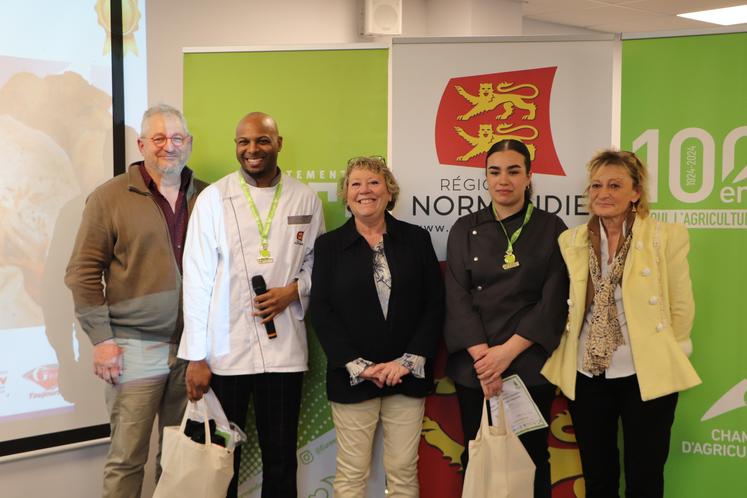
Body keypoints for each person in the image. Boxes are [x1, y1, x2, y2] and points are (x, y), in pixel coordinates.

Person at [178, 112, 325, 498]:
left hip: (284, 351)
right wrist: (196, 356)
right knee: (221, 456)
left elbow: (316, 263)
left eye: (261, 140)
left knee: (281, 456)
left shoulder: (305, 198)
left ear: (279, 143)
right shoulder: (212, 199)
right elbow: (195, 280)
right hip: (225, 352)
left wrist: (293, 291)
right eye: (243, 142)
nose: (252, 149)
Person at [65, 103, 207, 498]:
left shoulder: (208, 197)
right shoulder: (109, 198)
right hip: (132, 348)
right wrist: (102, 340)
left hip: (192, 351)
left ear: (189, 143)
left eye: (177, 138)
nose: (169, 147)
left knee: (181, 459)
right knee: (128, 459)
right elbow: (82, 273)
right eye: (159, 138)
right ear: (142, 143)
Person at [541, 149, 701, 498]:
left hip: (645, 373)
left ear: (636, 192)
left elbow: (681, 304)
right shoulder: (572, 241)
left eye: (615, 185)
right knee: (598, 478)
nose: (604, 193)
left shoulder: (664, 237)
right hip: (588, 372)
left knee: (645, 479)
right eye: (596, 185)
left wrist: (669, 350)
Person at [310, 156, 444, 497]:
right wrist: (361, 366)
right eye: (356, 183)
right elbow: (322, 311)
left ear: (388, 192)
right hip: (353, 378)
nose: (364, 190)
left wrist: (406, 362)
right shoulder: (329, 246)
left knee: (402, 471)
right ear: (346, 193)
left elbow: (435, 305)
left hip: (406, 376)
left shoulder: (416, 239)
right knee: (352, 473)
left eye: (373, 182)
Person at [444, 139, 568, 498]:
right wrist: (486, 360)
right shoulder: (464, 228)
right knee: (479, 454)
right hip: (476, 369)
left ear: (529, 176)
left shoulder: (551, 228)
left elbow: (553, 300)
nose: (504, 180)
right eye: (495, 172)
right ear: (485, 177)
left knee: (530, 459)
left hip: (528, 363)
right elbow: (456, 296)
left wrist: (505, 355)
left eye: (514, 171)